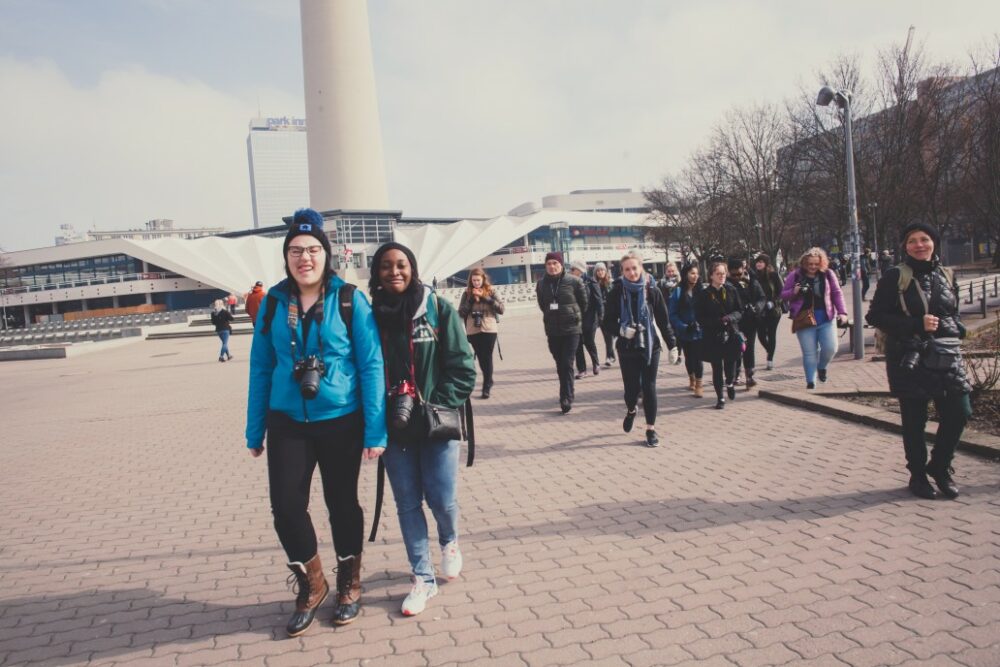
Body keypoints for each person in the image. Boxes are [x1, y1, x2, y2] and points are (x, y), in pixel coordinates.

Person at [245, 208, 387, 636]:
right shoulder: (272, 303)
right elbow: (260, 368)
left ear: (325, 254)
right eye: (294, 251)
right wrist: (255, 429)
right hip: (287, 419)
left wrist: (376, 430)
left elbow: (372, 365)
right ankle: (313, 582)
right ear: (286, 257)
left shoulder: (349, 299)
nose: (303, 258)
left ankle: (349, 584)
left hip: (341, 419)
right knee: (286, 508)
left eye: (311, 250)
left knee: (342, 505)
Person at [369, 242, 476, 616]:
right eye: (386, 266)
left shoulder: (436, 309)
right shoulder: (369, 317)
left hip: (435, 422)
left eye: (401, 265)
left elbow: (464, 368)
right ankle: (422, 578)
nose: (394, 271)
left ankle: (449, 540)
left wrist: (436, 401)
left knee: (442, 499)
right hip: (393, 426)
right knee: (407, 504)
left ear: (413, 269)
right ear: (376, 272)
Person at [866, 223, 970, 500]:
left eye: (924, 239)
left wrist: (957, 327)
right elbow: (874, 316)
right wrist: (915, 323)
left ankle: (939, 466)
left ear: (934, 242)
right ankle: (918, 475)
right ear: (905, 246)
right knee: (914, 421)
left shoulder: (946, 274)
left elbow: (952, 310)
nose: (919, 245)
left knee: (960, 411)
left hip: (945, 354)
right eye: (912, 241)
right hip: (909, 357)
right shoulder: (895, 276)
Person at [603, 251, 678, 447]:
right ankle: (631, 410)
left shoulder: (652, 290)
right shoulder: (616, 291)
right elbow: (607, 322)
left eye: (634, 268)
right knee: (631, 390)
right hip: (627, 347)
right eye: (627, 269)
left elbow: (663, 320)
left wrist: (672, 345)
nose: (631, 272)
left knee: (649, 387)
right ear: (622, 271)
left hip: (650, 345)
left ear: (641, 268)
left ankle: (650, 429)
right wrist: (621, 330)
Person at [781, 247, 848, 389]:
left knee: (831, 348)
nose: (812, 267)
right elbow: (783, 295)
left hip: (826, 318)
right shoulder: (795, 275)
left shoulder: (828, 274)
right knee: (809, 352)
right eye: (810, 264)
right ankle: (811, 381)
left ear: (821, 263)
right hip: (804, 319)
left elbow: (837, 293)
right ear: (804, 263)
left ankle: (822, 367)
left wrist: (843, 313)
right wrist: (794, 291)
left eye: (816, 264)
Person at [535, 252, 588, 413]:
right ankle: (566, 389)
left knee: (567, 362)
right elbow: (542, 304)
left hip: (572, 330)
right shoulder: (541, 284)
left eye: (555, 263)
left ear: (561, 264)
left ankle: (566, 397)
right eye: (549, 263)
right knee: (560, 364)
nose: (552, 266)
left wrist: (573, 316)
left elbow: (584, 303)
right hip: (552, 330)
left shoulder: (574, 281)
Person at [695, 262, 743, 409]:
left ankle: (729, 383)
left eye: (723, 273)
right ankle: (720, 397)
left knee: (731, 363)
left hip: (730, 332)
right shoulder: (704, 294)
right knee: (717, 367)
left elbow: (739, 311)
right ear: (711, 276)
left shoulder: (731, 290)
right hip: (713, 335)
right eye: (718, 274)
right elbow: (700, 317)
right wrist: (715, 322)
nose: (722, 276)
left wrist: (730, 318)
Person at [458, 267, 504, 399]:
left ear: (483, 279)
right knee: (481, 356)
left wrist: (486, 299)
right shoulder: (467, 294)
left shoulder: (491, 291)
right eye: (474, 280)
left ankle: (486, 385)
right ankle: (489, 379)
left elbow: (501, 309)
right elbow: (461, 312)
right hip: (473, 329)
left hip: (489, 328)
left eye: (478, 280)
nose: (476, 283)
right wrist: (471, 300)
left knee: (487, 356)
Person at [727, 258, 766, 388]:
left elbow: (762, 298)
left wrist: (757, 308)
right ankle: (736, 373)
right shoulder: (727, 285)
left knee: (749, 348)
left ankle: (750, 375)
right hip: (735, 322)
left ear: (744, 270)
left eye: (739, 274)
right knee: (737, 347)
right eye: (734, 275)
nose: (737, 277)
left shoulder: (752, 282)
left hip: (751, 320)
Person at [668, 262, 705, 397]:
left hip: (699, 331)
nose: (695, 276)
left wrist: (702, 324)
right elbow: (672, 314)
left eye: (696, 273)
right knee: (689, 357)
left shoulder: (702, 291)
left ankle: (700, 384)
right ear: (685, 275)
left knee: (698, 357)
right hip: (684, 331)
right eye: (692, 273)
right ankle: (692, 378)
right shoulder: (678, 292)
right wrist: (683, 326)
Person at [569, 260, 604, 379]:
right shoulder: (570, 283)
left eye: (573, 269)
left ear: (580, 270)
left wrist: (600, 317)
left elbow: (599, 301)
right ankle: (582, 370)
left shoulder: (591, 282)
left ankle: (596, 363)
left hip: (590, 319)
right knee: (577, 344)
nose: (571, 271)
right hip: (576, 319)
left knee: (589, 342)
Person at [753, 254, 784, 371]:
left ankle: (770, 359)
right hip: (760, 311)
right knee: (761, 335)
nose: (758, 264)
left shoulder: (774, 275)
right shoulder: (754, 277)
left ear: (766, 263)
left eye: (761, 262)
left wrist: (774, 302)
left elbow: (782, 292)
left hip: (773, 311)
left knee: (771, 334)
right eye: (757, 262)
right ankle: (770, 349)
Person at [594, 262, 617, 367]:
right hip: (601, 315)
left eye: (602, 270)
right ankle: (611, 357)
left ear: (605, 271)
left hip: (611, 314)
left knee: (609, 337)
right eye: (598, 270)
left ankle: (610, 357)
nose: (600, 272)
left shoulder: (611, 283)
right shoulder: (594, 284)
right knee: (607, 337)